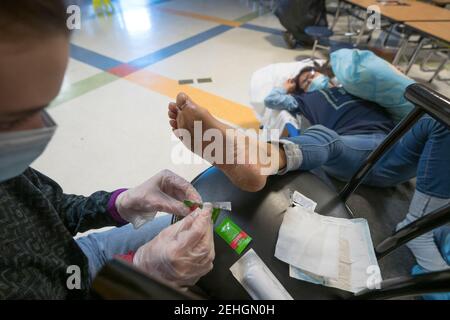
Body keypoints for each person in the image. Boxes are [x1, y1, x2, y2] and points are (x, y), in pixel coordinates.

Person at [0, 1, 214, 299]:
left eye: (45, 105)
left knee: (197, 230)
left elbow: (51, 207)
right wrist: (138, 275)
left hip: (76, 259)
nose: (41, 126)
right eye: (13, 119)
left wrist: (119, 203)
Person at [167, 74, 450, 275]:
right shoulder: (305, 99)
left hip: (395, 143)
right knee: (325, 138)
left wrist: (340, 80)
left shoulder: (351, 89)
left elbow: (371, 74)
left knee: (437, 118)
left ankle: (257, 153)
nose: (311, 79)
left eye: (313, 74)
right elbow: (272, 99)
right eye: (304, 79)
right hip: (357, 151)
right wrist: (291, 88)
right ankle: (262, 158)